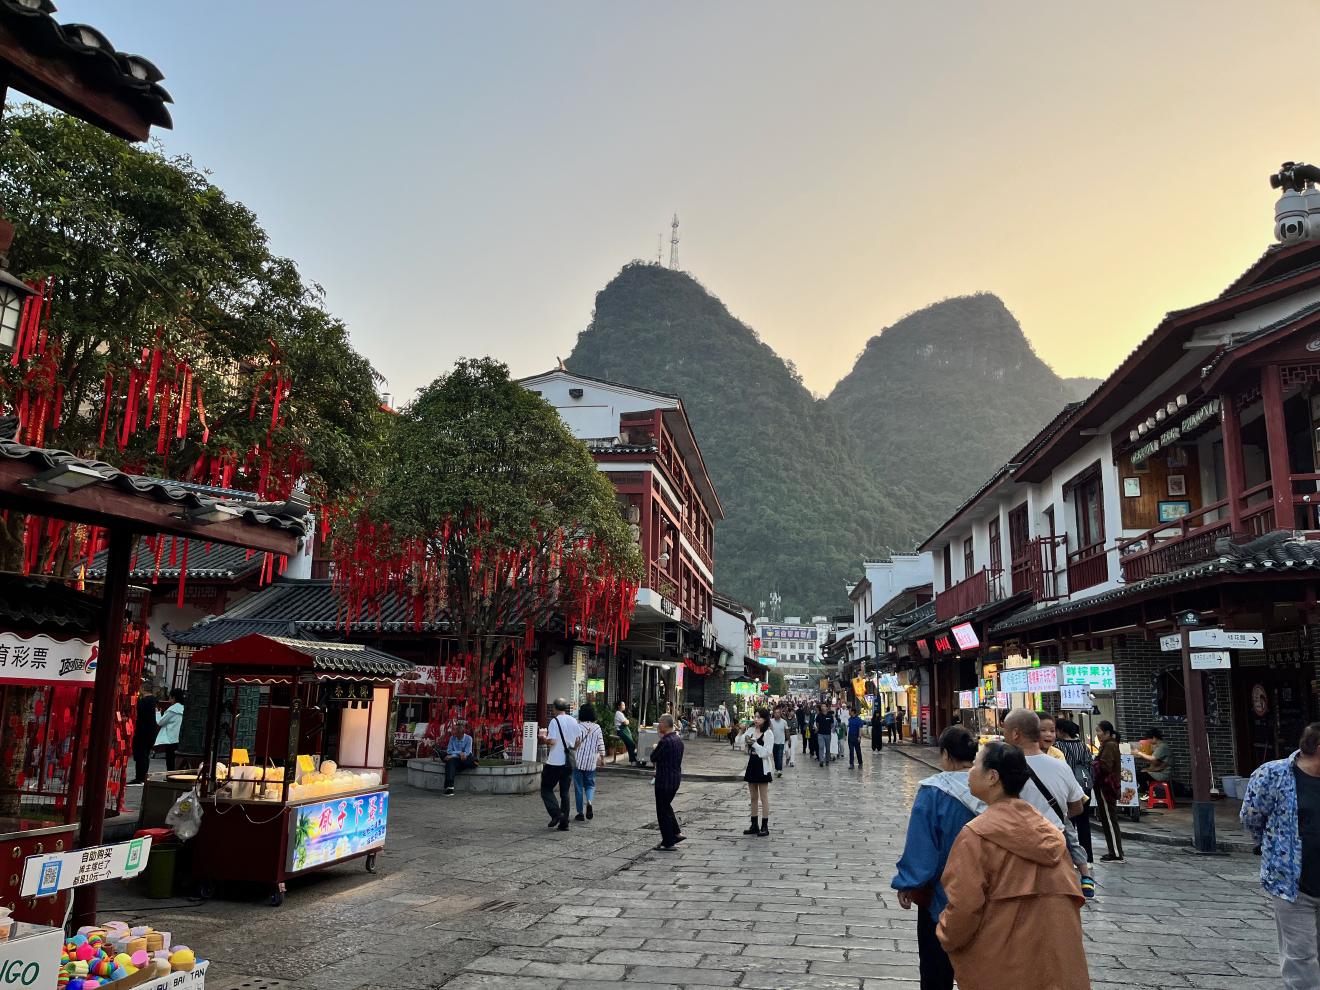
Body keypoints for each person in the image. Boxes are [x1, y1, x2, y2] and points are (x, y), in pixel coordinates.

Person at [937, 742, 1090, 989]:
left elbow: (964, 906)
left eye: (975, 765)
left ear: (992, 777)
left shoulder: (976, 835)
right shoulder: (1050, 833)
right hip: (1056, 965)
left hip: (1001, 962)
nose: (970, 771)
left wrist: (945, 935)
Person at [892, 726, 984, 990]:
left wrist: (909, 881)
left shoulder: (933, 791)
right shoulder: (990, 790)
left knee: (936, 970)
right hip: (986, 894)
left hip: (942, 897)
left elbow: (922, 844)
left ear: (945, 754)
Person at [1241, 722, 1320, 989]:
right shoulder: (1273, 775)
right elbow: (1252, 817)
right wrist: (1274, 847)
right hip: (1292, 885)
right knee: (1301, 957)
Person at [1001, 709, 1095, 899]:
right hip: (1055, 846)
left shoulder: (1003, 768)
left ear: (1016, 734)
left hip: (1017, 849)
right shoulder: (1061, 766)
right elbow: (1077, 807)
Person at [1054, 718, 1094, 866]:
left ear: (1061, 731)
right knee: (1084, 822)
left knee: (1069, 824)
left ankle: (1071, 857)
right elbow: (1090, 765)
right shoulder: (1083, 746)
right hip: (1084, 787)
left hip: (1068, 789)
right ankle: (1088, 857)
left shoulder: (1058, 746)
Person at [539, 698, 581, 831]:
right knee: (565, 792)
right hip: (568, 762)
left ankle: (557, 814)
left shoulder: (554, 721)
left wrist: (543, 739)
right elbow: (577, 742)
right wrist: (571, 748)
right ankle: (564, 823)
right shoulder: (573, 720)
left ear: (555, 708)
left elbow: (552, 741)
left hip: (555, 761)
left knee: (546, 789)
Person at [1092, 720, 1125, 863]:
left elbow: (1105, 767)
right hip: (1106, 787)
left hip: (1106, 788)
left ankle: (1116, 853)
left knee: (1110, 820)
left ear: (1107, 732)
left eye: (1099, 731)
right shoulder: (1108, 745)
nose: (1097, 735)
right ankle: (1113, 851)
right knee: (1108, 819)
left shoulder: (1110, 745)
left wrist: (1093, 763)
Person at [651, 713, 684, 851]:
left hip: (664, 780)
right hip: (675, 778)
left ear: (664, 725)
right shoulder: (678, 740)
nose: (658, 726)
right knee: (666, 806)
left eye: (659, 723)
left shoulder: (665, 741)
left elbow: (654, 757)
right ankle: (676, 832)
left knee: (662, 810)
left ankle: (668, 841)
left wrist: (655, 746)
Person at [740, 708, 774, 836]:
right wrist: (741, 732)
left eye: (759, 717)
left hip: (762, 765)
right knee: (753, 797)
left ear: (765, 719)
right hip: (752, 763)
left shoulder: (768, 733)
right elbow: (740, 742)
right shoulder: (750, 730)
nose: (756, 719)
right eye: (755, 717)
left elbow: (767, 752)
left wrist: (754, 744)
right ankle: (754, 824)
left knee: (763, 797)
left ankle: (765, 825)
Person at [572, 703, 606, 821]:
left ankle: (580, 813)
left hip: (577, 761)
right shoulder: (597, 728)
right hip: (591, 762)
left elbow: (573, 743)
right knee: (590, 785)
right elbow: (600, 743)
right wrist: (602, 757)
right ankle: (590, 802)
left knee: (578, 787)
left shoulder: (578, 727)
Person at [131, 684, 159, 784]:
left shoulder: (143, 702)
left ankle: (139, 777)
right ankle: (142, 776)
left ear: (143, 689)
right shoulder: (153, 701)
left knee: (141, 755)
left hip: (142, 732)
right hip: (151, 732)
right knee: (145, 755)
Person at [1133, 726, 1172, 797]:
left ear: (1154, 738)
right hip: (1158, 770)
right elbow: (1156, 761)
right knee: (1139, 771)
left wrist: (1139, 753)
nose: (1148, 741)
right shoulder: (1160, 746)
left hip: (1162, 774)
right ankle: (1146, 791)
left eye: (1148, 739)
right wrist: (1141, 757)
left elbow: (1153, 759)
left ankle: (1146, 791)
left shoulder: (1162, 747)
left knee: (1138, 775)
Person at [442, 720, 477, 795]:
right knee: (450, 762)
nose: (453, 732)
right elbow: (449, 750)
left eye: (455, 731)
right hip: (455, 759)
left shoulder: (469, 738)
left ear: (461, 733)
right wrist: (459, 753)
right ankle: (450, 788)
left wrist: (454, 755)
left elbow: (467, 753)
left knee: (451, 762)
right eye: (454, 730)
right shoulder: (452, 738)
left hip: (465, 759)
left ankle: (448, 786)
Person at [154, 689, 185, 772]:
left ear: (174, 698)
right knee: (176, 759)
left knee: (170, 760)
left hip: (170, 738)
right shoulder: (183, 708)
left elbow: (160, 722)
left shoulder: (172, 710)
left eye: (170, 698)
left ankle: (170, 776)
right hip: (178, 737)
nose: (169, 700)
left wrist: (157, 712)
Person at [614, 700, 638, 765]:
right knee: (631, 744)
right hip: (621, 731)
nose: (624, 706)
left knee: (631, 745)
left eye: (624, 705)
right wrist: (627, 721)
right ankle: (633, 760)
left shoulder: (621, 713)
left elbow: (626, 722)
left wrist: (627, 721)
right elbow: (626, 722)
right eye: (623, 705)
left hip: (623, 731)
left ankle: (633, 760)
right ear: (619, 706)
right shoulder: (618, 713)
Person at [769, 708, 789, 777]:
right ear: (773, 714)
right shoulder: (771, 721)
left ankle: (779, 770)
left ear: (780, 714)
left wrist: (788, 740)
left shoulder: (784, 722)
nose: (777, 714)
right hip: (773, 742)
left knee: (780, 756)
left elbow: (786, 731)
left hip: (781, 742)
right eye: (775, 713)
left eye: (778, 713)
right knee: (775, 756)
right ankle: (777, 769)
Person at [815, 703, 835, 768]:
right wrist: (819, 729)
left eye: (824, 706)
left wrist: (829, 729)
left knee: (828, 748)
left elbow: (832, 725)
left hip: (828, 734)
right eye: (822, 706)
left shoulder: (830, 716)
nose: (823, 707)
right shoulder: (819, 715)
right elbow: (817, 723)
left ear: (827, 707)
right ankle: (821, 761)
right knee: (821, 747)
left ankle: (827, 760)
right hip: (820, 734)